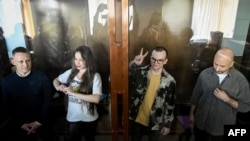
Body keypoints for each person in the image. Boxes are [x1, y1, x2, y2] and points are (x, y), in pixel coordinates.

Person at [189, 47, 250, 141]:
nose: (217, 68)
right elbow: (196, 95)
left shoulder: (240, 81)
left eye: (222, 66)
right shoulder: (204, 74)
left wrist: (227, 100)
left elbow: (246, 107)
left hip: (221, 129)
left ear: (231, 64)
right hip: (201, 123)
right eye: (215, 64)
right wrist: (191, 114)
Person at [1, 47, 53, 141]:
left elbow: (48, 101)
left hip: (42, 122)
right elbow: (7, 106)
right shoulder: (6, 82)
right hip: (20, 125)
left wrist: (38, 122)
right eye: (21, 61)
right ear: (13, 62)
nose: (25, 64)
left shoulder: (41, 77)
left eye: (28, 60)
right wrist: (20, 124)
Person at [53, 46, 102, 141]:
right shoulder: (71, 72)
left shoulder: (95, 76)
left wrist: (74, 94)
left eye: (81, 59)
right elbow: (56, 80)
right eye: (76, 59)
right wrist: (58, 87)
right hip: (73, 117)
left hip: (89, 118)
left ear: (88, 60)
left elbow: (96, 99)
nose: (77, 62)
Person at [129, 46, 176, 141]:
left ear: (165, 61)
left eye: (160, 60)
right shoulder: (141, 72)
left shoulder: (170, 81)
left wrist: (167, 124)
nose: (156, 63)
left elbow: (170, 105)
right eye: (153, 59)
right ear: (150, 57)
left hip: (156, 121)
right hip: (137, 117)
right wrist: (135, 63)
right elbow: (127, 74)